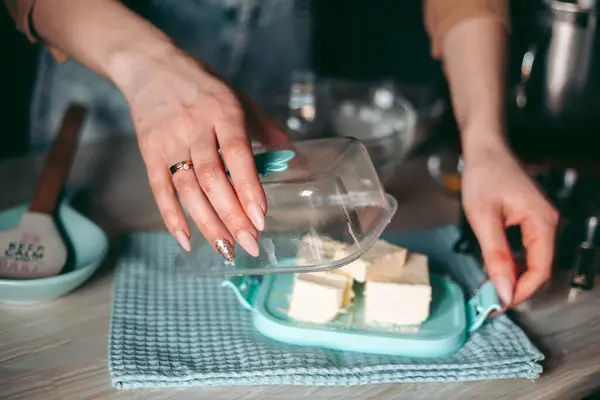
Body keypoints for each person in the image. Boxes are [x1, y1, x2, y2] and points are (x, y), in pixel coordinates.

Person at [5, 0, 558, 308]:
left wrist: (484, 141)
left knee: (271, 210)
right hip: (110, 66)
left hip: (275, 56)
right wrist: (149, 65)